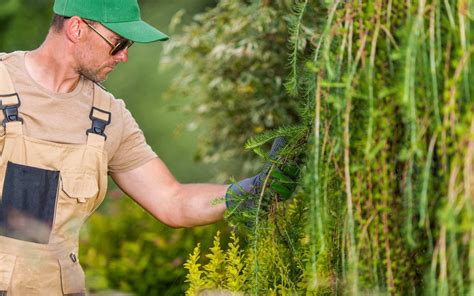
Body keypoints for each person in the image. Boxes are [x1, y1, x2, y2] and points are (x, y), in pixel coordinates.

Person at [0, 0, 297, 295]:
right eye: (118, 43)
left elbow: (173, 200)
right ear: (77, 28)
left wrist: (252, 191)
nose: (124, 56)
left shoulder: (107, 117)